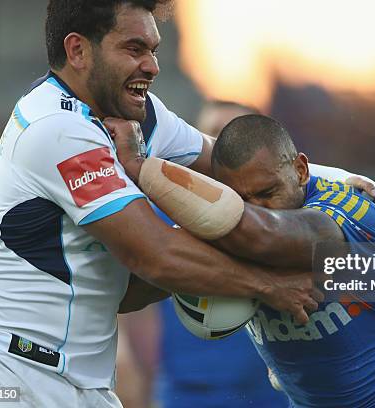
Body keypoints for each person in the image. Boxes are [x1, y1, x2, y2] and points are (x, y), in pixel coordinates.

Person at [0, 1, 375, 406]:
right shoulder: (56, 128)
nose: (152, 66)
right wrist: (268, 284)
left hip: (72, 382)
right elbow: (155, 255)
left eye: (154, 49)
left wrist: (344, 181)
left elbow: (230, 162)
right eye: (134, 48)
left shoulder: (138, 114)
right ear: (78, 50)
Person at [114, 113, 375, 407]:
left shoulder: (352, 210)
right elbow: (132, 293)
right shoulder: (235, 228)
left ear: (301, 170)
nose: (257, 208)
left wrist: (142, 168)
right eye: (241, 200)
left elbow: (268, 235)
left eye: (268, 192)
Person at [115, 101, 288, 408]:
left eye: (237, 140)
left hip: (269, 396)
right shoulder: (154, 216)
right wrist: (130, 367)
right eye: (212, 137)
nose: (223, 152)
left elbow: (354, 277)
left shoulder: (287, 220)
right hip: (184, 395)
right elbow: (127, 308)